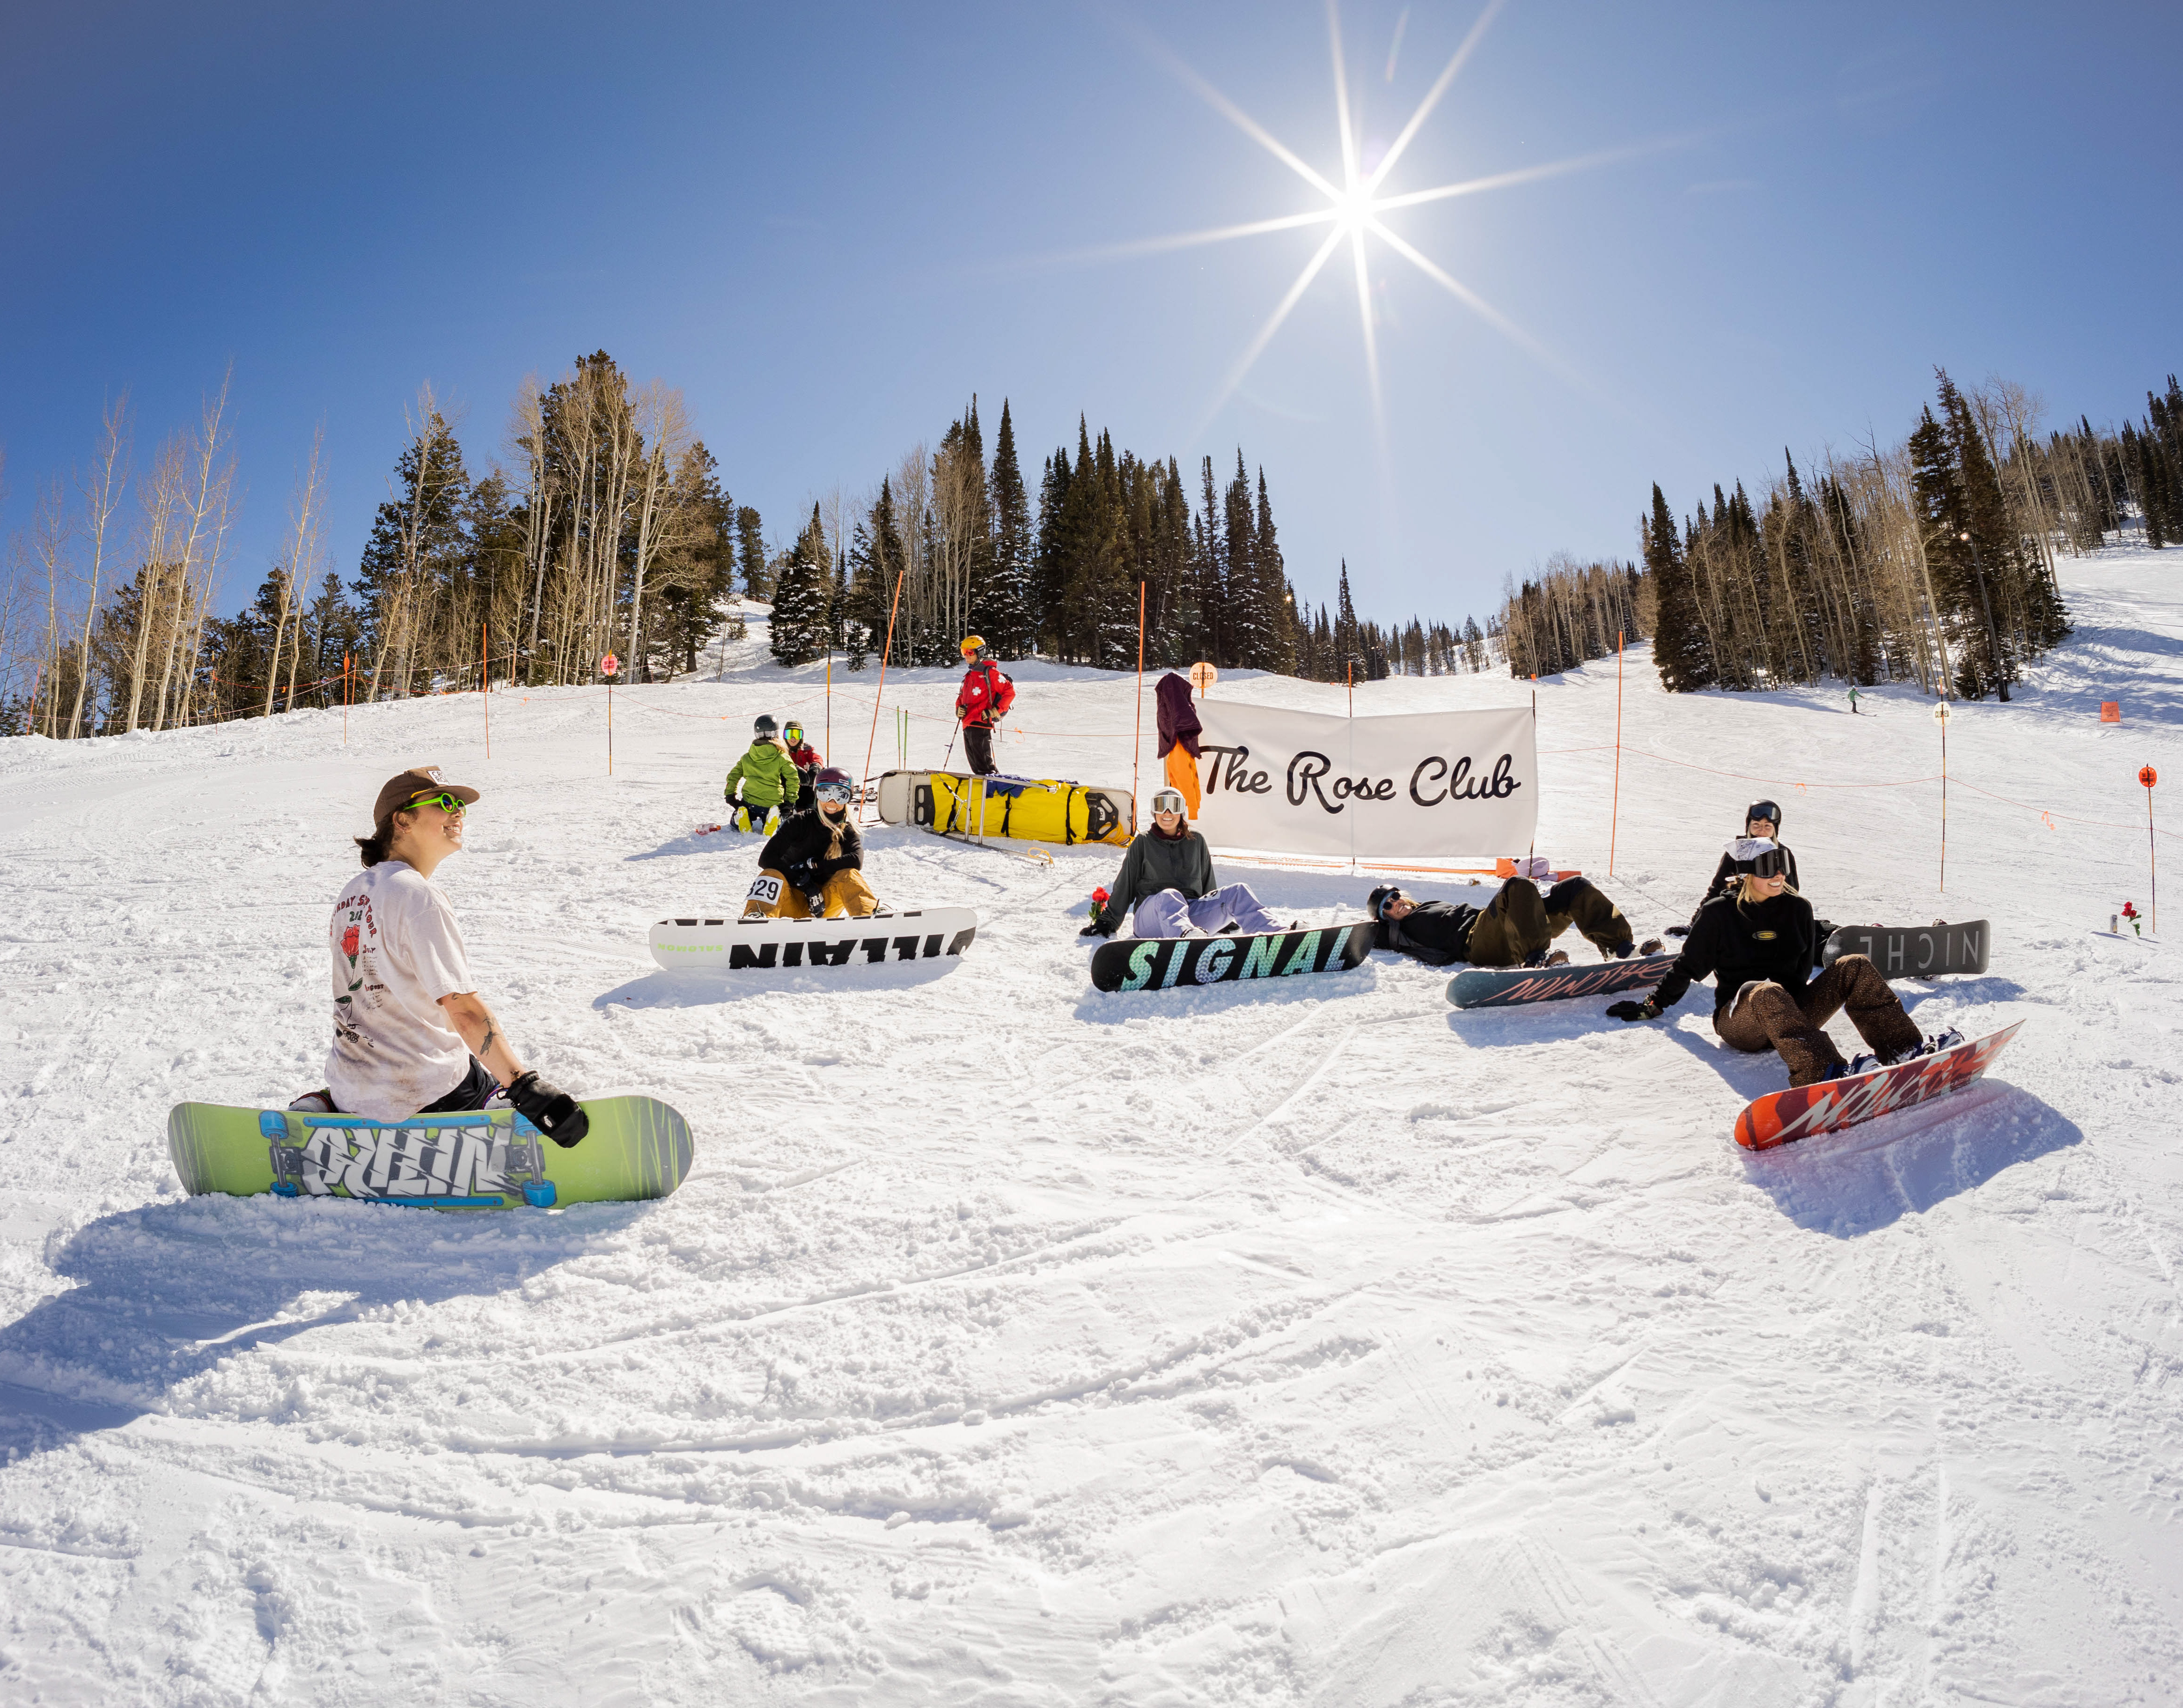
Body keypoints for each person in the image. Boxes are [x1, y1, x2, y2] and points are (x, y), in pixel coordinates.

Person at [293, 766, 587, 1143]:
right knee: (481, 1079)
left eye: (461, 805)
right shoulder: (417, 896)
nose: (458, 812)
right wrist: (523, 1085)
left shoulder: (352, 893)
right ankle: (491, 1108)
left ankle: (327, 1104)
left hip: (353, 1089)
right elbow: (462, 1009)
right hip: (427, 1094)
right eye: (445, 802)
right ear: (402, 820)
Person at [1606, 838, 1958, 1087]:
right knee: (1766, 990)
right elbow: (1687, 966)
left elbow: (1804, 967)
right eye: (1768, 870)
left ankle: (1902, 1050)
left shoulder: (1798, 909)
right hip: (1740, 1023)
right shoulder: (1719, 914)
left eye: (1782, 869)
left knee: (1854, 965)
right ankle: (1824, 1072)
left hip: (1792, 1014)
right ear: (1745, 873)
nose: (1778, 877)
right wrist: (1653, 1005)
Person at [1079, 787, 1288, 939]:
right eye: (1161, 806)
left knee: (1239, 891)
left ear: (1182, 812)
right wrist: (1108, 922)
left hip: (1191, 915)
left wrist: (1219, 917)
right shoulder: (1143, 843)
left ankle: (1275, 935)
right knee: (1170, 895)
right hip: (1150, 918)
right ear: (1154, 812)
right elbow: (1125, 885)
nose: (1167, 813)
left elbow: (1208, 886)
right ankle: (1186, 937)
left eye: (1174, 806)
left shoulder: (1196, 842)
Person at [1368, 867, 1661, 968]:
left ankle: (1618, 947)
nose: (1396, 904)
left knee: (1574, 887)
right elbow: (1367, 935)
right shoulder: (1398, 932)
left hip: (1503, 928)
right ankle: (1535, 959)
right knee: (1517, 885)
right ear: (1385, 918)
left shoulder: (1425, 906)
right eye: (1387, 907)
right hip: (1478, 944)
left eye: (1395, 896)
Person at [742, 767, 882, 919]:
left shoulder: (848, 831)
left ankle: (871, 917)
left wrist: (817, 866)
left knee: (849, 875)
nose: (832, 802)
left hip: (824, 907)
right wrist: (805, 884)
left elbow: (856, 861)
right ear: (817, 795)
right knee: (770, 874)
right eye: (826, 793)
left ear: (848, 799)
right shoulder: (799, 822)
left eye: (840, 795)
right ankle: (757, 918)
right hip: (789, 902)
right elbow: (766, 858)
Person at [724, 714, 802, 832]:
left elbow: (733, 776)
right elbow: (793, 779)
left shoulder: (748, 757)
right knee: (782, 819)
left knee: (736, 821)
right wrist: (789, 802)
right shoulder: (782, 757)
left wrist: (730, 796)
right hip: (773, 802)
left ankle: (741, 817)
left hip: (750, 802)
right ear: (776, 733)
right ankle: (776, 819)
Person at [954, 636, 1015, 777]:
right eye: (964, 652)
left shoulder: (990, 672)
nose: (966, 656)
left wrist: (996, 711)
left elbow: (1009, 692)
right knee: (976, 765)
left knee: (985, 766)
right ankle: (983, 785)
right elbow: (961, 697)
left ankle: (994, 784)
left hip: (981, 722)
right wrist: (959, 709)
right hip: (968, 723)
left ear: (980, 652)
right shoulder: (969, 675)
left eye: (970, 652)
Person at [1154, 670, 1203, 816]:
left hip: (1179, 745)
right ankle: (1188, 812)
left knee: (1183, 779)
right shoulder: (1174, 698)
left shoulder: (1174, 699)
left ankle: (1190, 813)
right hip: (1178, 745)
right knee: (1180, 779)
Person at [782, 719, 823, 810]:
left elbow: (817, 757)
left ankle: (812, 808)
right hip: (788, 788)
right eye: (789, 734)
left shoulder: (806, 749)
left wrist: (816, 766)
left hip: (805, 789)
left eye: (797, 734)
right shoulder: (781, 750)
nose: (793, 738)